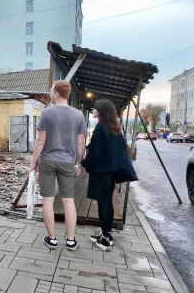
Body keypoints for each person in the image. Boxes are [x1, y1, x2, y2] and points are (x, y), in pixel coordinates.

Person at [29, 80, 86, 251]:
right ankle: (70, 241)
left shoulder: (47, 113)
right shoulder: (78, 115)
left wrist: (33, 163)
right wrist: (78, 164)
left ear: (56, 94)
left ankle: (52, 239)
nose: (49, 93)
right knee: (69, 201)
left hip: (47, 161)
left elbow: (40, 140)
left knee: (48, 200)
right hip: (68, 162)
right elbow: (80, 143)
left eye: (51, 91)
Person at [81, 99, 129, 251]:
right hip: (111, 173)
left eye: (94, 108)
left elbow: (95, 152)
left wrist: (83, 164)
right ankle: (106, 233)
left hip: (101, 173)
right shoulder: (114, 128)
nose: (93, 110)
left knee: (103, 204)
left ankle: (106, 239)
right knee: (107, 203)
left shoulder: (101, 128)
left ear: (100, 111)